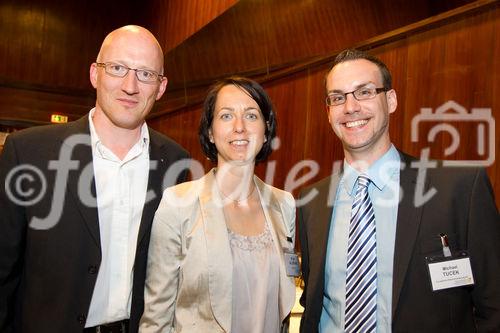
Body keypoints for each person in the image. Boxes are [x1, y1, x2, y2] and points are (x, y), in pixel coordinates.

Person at [0, 25, 189, 333]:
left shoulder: (176, 162)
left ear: (161, 86)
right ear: (94, 73)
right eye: (117, 68)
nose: (130, 86)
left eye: (145, 74)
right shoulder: (30, 152)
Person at [298, 49, 500, 332]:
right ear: (329, 112)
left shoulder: (459, 188)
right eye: (337, 97)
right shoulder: (311, 203)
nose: (350, 107)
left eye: (364, 92)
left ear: (390, 100)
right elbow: (313, 304)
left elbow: (493, 307)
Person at [139, 77, 297, 333]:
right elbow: (156, 319)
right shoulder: (178, 204)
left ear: (266, 129)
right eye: (226, 116)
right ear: (210, 132)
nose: (239, 127)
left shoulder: (284, 204)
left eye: (251, 116)